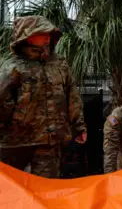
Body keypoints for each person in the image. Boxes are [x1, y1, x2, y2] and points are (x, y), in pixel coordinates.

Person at [0, 15, 87, 178]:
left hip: (50, 141)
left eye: (50, 33)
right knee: (10, 189)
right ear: (28, 36)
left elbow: (72, 96)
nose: (47, 37)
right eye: (42, 33)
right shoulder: (12, 67)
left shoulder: (60, 64)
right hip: (15, 142)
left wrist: (79, 126)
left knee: (46, 190)